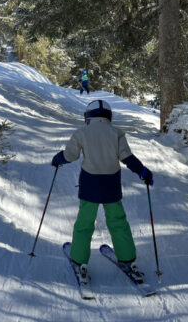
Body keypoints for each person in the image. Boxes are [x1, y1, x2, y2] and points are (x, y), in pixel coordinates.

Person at [51, 99, 153, 285]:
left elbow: (70, 155)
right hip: (111, 184)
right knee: (118, 221)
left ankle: (79, 260)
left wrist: (57, 159)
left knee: (85, 222)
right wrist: (143, 171)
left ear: (88, 116)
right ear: (108, 116)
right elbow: (127, 157)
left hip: (89, 183)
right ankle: (127, 259)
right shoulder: (116, 133)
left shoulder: (83, 132)